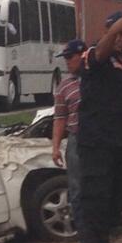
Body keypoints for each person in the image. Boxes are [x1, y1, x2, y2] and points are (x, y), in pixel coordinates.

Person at [76, 13, 122, 243]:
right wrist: (115, 29)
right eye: (120, 34)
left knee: (114, 194)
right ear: (109, 31)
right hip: (97, 140)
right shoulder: (96, 54)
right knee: (95, 193)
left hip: (119, 140)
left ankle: (104, 241)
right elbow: (98, 55)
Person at [52, 38, 87, 231]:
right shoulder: (64, 86)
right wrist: (56, 147)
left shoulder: (98, 78)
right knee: (77, 187)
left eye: (70, 57)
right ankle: (83, 230)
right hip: (76, 139)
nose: (67, 62)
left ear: (82, 55)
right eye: (65, 58)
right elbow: (59, 118)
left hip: (99, 140)